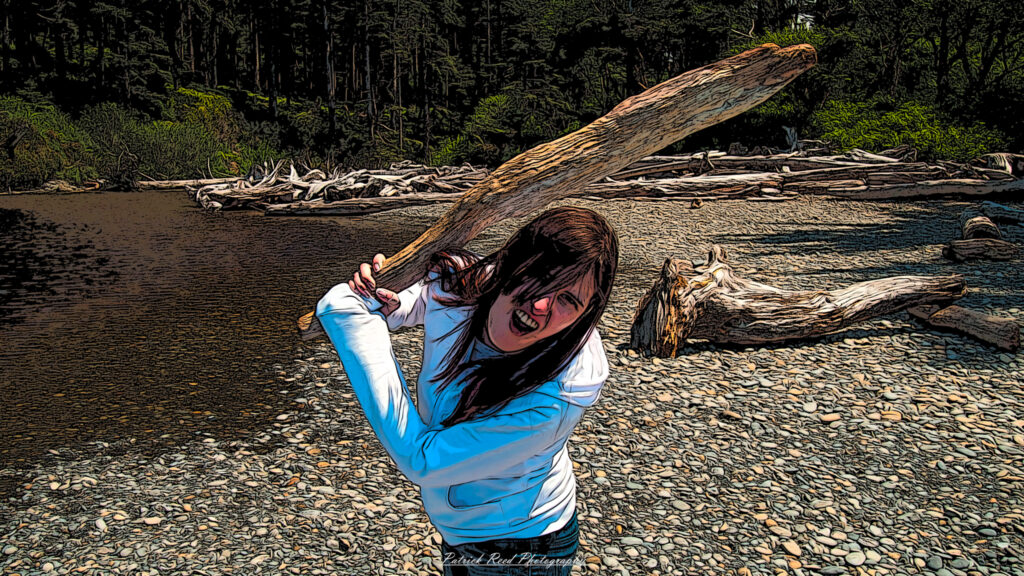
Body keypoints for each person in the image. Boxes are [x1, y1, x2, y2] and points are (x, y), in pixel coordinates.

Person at [316, 207, 618, 575]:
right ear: (510, 260)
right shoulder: (470, 283)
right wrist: (386, 294)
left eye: (568, 300)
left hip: (524, 546)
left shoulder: (557, 398)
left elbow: (422, 460)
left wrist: (353, 324)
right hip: (461, 531)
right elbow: (426, 299)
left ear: (584, 316)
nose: (540, 305)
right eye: (540, 275)